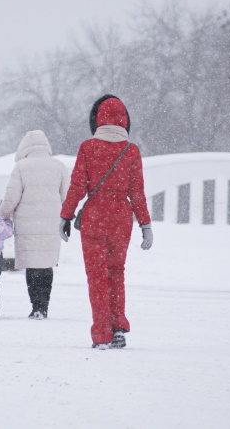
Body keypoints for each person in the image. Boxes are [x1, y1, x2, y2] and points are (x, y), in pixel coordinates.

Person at [59, 95, 153, 349]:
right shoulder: (131, 151)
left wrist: (66, 215)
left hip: (94, 218)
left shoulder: (88, 148)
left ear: (97, 120)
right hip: (122, 219)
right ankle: (118, 326)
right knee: (116, 273)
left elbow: (78, 186)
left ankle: (101, 334)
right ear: (125, 121)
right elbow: (137, 192)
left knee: (97, 276)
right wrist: (145, 224)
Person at [0, 130, 70, 319]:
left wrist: (3, 213)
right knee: (45, 265)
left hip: (27, 224)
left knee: (32, 266)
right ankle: (43, 306)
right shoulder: (59, 166)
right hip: (51, 223)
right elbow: (67, 197)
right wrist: (67, 218)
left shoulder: (21, 167)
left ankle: (35, 307)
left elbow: (11, 196)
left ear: (25, 147)